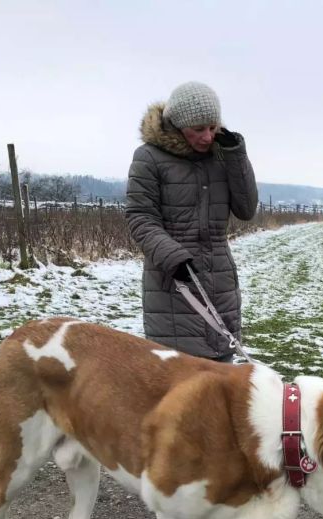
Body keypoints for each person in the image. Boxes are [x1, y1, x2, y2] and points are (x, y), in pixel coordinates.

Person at [126, 81, 258, 361]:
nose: (208, 137)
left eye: (212, 127)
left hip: (219, 278)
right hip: (173, 279)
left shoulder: (222, 155)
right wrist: (172, 256)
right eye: (198, 129)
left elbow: (246, 209)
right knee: (178, 381)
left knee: (221, 371)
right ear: (177, 125)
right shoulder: (148, 158)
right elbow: (140, 217)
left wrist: (236, 156)